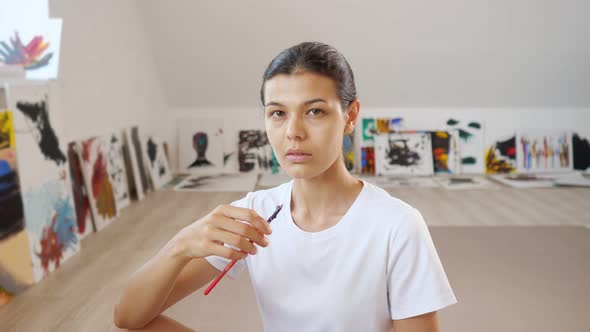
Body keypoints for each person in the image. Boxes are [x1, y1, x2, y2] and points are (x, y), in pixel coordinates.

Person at [113, 42, 457, 332]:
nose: (293, 132)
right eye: (278, 113)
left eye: (315, 112)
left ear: (350, 116)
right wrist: (182, 243)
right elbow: (129, 317)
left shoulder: (397, 225)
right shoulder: (255, 216)